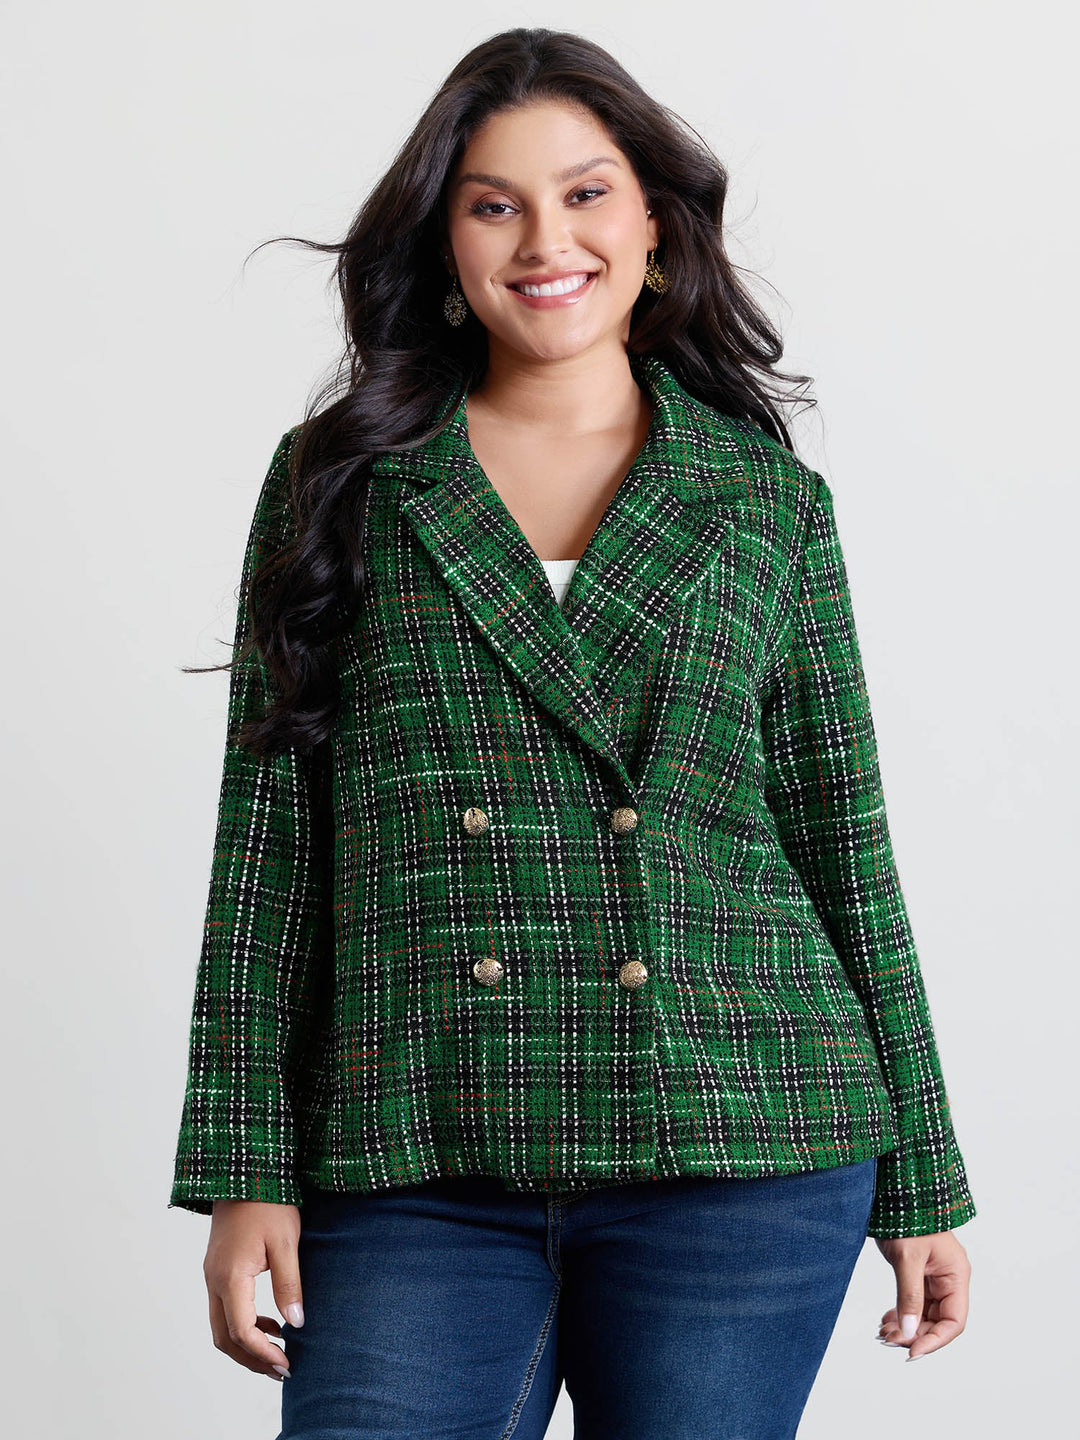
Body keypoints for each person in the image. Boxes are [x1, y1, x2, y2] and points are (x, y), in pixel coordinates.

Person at [169, 26, 976, 1440]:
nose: (548, 241)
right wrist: (245, 1165)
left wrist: (925, 1178)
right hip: (418, 1143)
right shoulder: (342, 481)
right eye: (496, 204)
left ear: (654, 224)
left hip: (741, 1136)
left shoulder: (764, 500)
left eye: (587, 193)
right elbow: (271, 851)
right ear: (446, 242)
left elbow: (841, 840)